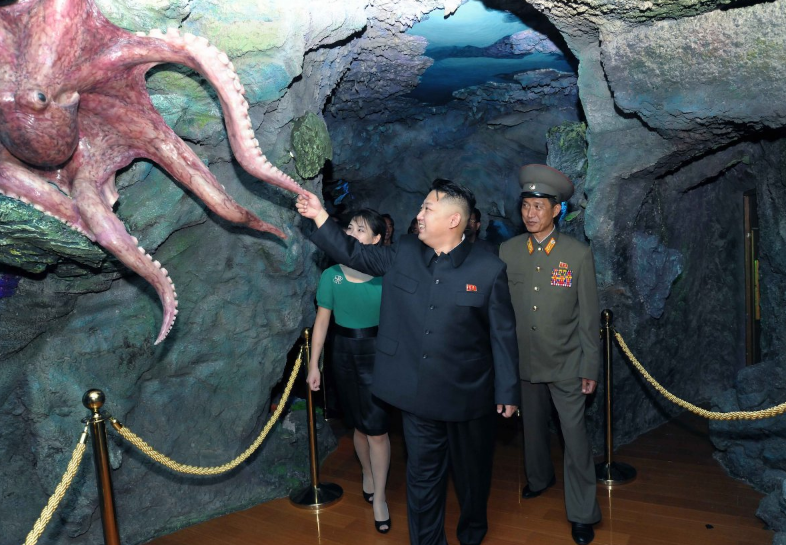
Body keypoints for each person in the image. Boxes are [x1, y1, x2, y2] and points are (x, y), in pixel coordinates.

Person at [297, 179, 520, 545]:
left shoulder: (488, 268)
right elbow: (354, 253)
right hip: (417, 395)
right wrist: (320, 215)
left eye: (427, 209)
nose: (417, 215)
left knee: (472, 477)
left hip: (468, 397)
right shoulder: (402, 252)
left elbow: (503, 335)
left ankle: (472, 532)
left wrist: (508, 391)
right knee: (422, 480)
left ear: (453, 220)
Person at [498, 164, 602, 545]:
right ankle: (539, 479)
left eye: (539, 206)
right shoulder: (507, 252)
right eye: (526, 205)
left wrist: (590, 365)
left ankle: (582, 512)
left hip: (567, 364)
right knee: (532, 430)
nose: (530, 213)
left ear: (556, 210)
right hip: (523, 361)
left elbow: (589, 318)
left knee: (574, 439)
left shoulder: (577, 255)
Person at [306, 209, 392, 533]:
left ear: (377, 239)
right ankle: (367, 473)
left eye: (361, 230)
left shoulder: (387, 275)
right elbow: (322, 322)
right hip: (342, 353)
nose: (353, 234)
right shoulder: (331, 276)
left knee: (378, 429)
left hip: (378, 354)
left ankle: (381, 497)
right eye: (351, 229)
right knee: (357, 425)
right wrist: (314, 365)